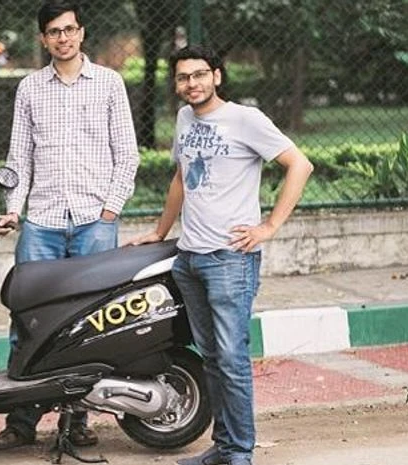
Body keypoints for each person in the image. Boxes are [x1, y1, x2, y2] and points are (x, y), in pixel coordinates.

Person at [126, 45, 313, 465]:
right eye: (182, 77)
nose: (191, 83)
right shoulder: (184, 118)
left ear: (217, 76)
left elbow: (299, 165)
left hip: (230, 259)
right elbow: (180, 178)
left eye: (199, 75)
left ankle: (241, 453)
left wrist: (269, 227)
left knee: (230, 358)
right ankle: (224, 447)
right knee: (211, 358)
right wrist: (159, 231)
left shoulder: (246, 119)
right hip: (190, 258)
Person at [0, 0, 140, 451]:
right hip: (42, 222)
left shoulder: (109, 84)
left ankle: (77, 421)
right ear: (43, 39)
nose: (63, 38)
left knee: (88, 324)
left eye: (70, 29)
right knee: (28, 319)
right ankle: (21, 421)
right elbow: (20, 159)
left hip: (95, 221)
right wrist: (15, 208)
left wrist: (111, 209)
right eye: (54, 31)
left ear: (82, 33)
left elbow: (127, 153)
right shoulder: (30, 88)